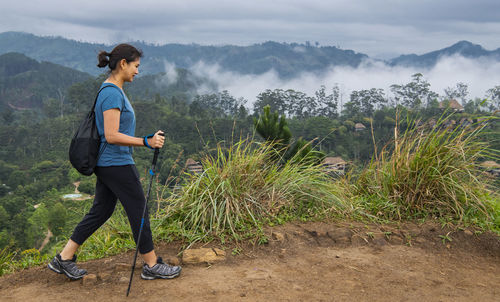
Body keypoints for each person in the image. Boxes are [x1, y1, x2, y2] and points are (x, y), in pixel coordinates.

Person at [48, 44, 181, 281]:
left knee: (101, 210)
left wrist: (144, 141)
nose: (137, 72)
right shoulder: (111, 93)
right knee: (139, 208)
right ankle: (151, 264)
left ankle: (64, 258)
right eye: (136, 66)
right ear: (123, 64)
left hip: (110, 162)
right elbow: (111, 135)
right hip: (115, 162)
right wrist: (146, 141)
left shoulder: (114, 91)